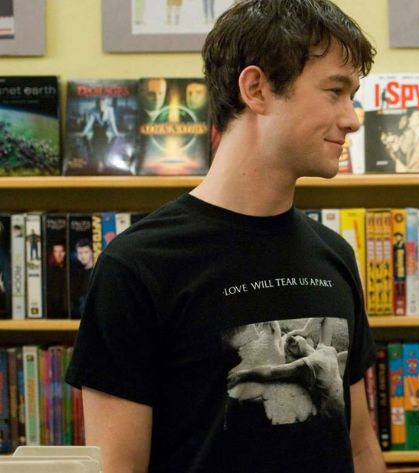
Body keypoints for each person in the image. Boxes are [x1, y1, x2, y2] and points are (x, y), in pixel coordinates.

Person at [65, 1, 384, 472]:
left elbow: (360, 450)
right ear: (256, 89)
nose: (352, 118)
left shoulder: (334, 255)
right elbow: (119, 467)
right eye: (335, 91)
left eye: (351, 95)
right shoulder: (137, 265)